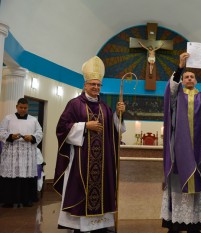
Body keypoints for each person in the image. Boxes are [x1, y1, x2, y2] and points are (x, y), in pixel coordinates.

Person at [53, 56, 126, 233]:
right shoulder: (74, 105)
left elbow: (115, 130)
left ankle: (101, 225)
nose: (95, 88)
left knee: (102, 190)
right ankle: (80, 226)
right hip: (81, 160)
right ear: (85, 85)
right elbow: (62, 128)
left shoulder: (105, 108)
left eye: (98, 85)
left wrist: (118, 114)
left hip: (102, 164)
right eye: (92, 84)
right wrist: (85, 126)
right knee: (80, 190)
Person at [161, 52, 201, 233]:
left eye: (192, 76)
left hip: (199, 150)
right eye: (186, 76)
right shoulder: (177, 96)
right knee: (178, 183)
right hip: (179, 150)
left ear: (196, 81)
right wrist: (180, 67)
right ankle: (176, 223)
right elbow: (170, 89)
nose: (188, 78)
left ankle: (194, 224)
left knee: (197, 184)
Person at [0, 98, 43, 208]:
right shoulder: (8, 118)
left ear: (27, 107)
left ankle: (26, 200)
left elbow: (39, 133)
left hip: (27, 152)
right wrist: (10, 136)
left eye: (25, 108)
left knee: (26, 174)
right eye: (21, 107)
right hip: (12, 152)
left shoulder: (33, 120)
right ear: (16, 107)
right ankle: (8, 200)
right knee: (10, 175)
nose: (23, 110)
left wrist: (32, 137)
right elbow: (1, 131)